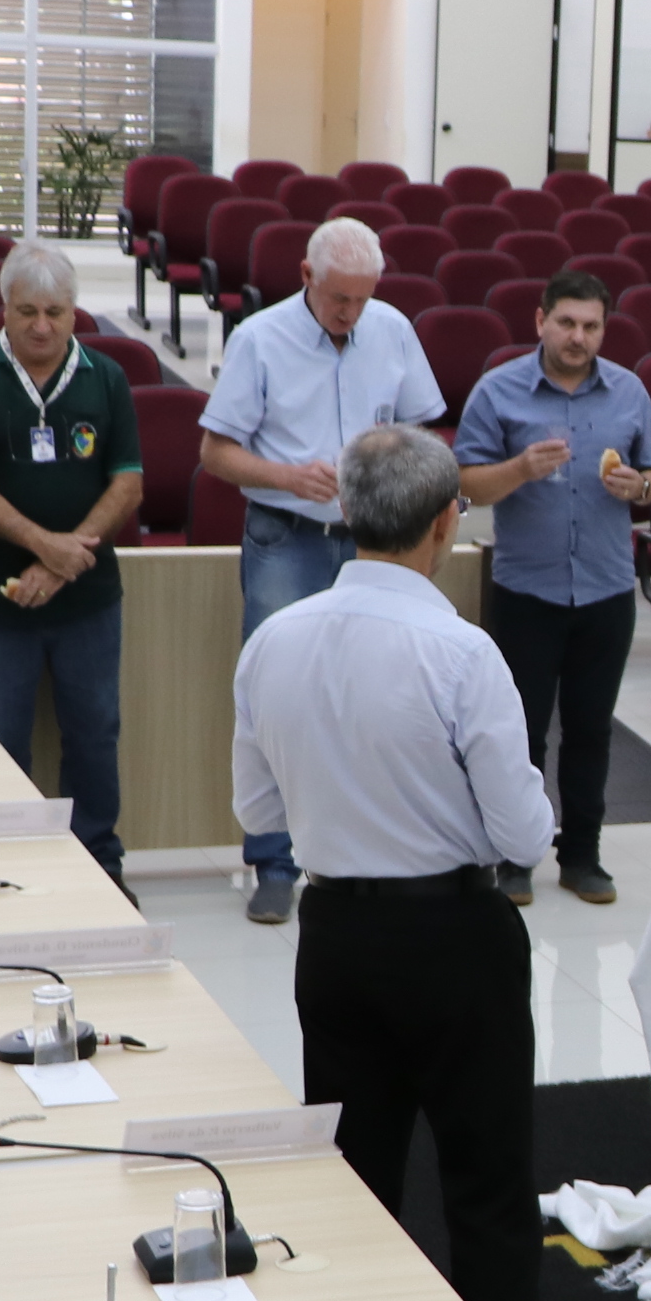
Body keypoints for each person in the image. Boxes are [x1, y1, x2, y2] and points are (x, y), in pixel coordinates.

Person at [232, 425, 590, 1301]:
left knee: (354, 1192)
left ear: (343, 511)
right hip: (455, 941)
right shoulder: (462, 653)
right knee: (486, 1196)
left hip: (336, 938)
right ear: (448, 521)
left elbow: (255, 813)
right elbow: (525, 835)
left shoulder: (274, 641)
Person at [199, 215, 449, 922]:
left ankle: (363, 850)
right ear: (307, 278)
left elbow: (423, 430)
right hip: (287, 534)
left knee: (378, 690)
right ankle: (274, 862)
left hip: (377, 537)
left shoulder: (393, 329)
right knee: (281, 689)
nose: (352, 313)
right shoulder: (259, 339)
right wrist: (282, 474)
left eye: (364, 298)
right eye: (341, 299)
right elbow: (215, 453)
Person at [453, 269, 651, 905]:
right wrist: (518, 469)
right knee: (518, 731)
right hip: (527, 589)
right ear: (540, 320)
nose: (578, 337)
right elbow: (466, 484)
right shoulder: (500, 391)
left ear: (605, 329)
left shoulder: (628, 391)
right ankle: (515, 856)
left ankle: (582, 856)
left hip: (605, 587)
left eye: (591, 326)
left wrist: (643, 488)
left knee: (591, 728)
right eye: (567, 323)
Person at [0, 243, 143, 878]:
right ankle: (11, 868)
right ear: (5, 310)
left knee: (94, 736)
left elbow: (128, 484)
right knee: (0, 744)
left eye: (55, 310)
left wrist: (59, 562)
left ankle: (99, 867)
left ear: (76, 311)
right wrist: (42, 544)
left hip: (87, 600)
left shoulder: (107, 379)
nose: (42, 325)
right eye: (27, 311)